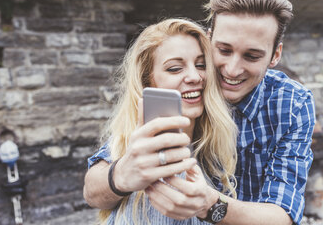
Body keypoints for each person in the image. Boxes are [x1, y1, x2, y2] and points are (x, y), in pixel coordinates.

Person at [145, 0, 316, 225]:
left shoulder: (292, 104)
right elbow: (96, 184)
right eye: (224, 51)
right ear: (208, 38)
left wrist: (210, 205)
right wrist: (120, 175)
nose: (232, 70)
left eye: (251, 56)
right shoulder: (185, 82)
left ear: (275, 55)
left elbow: (283, 215)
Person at [83, 18, 238, 224]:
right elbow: (91, 189)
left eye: (201, 65)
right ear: (147, 80)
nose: (195, 76)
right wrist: (121, 175)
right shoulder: (139, 147)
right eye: (175, 68)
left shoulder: (215, 142)